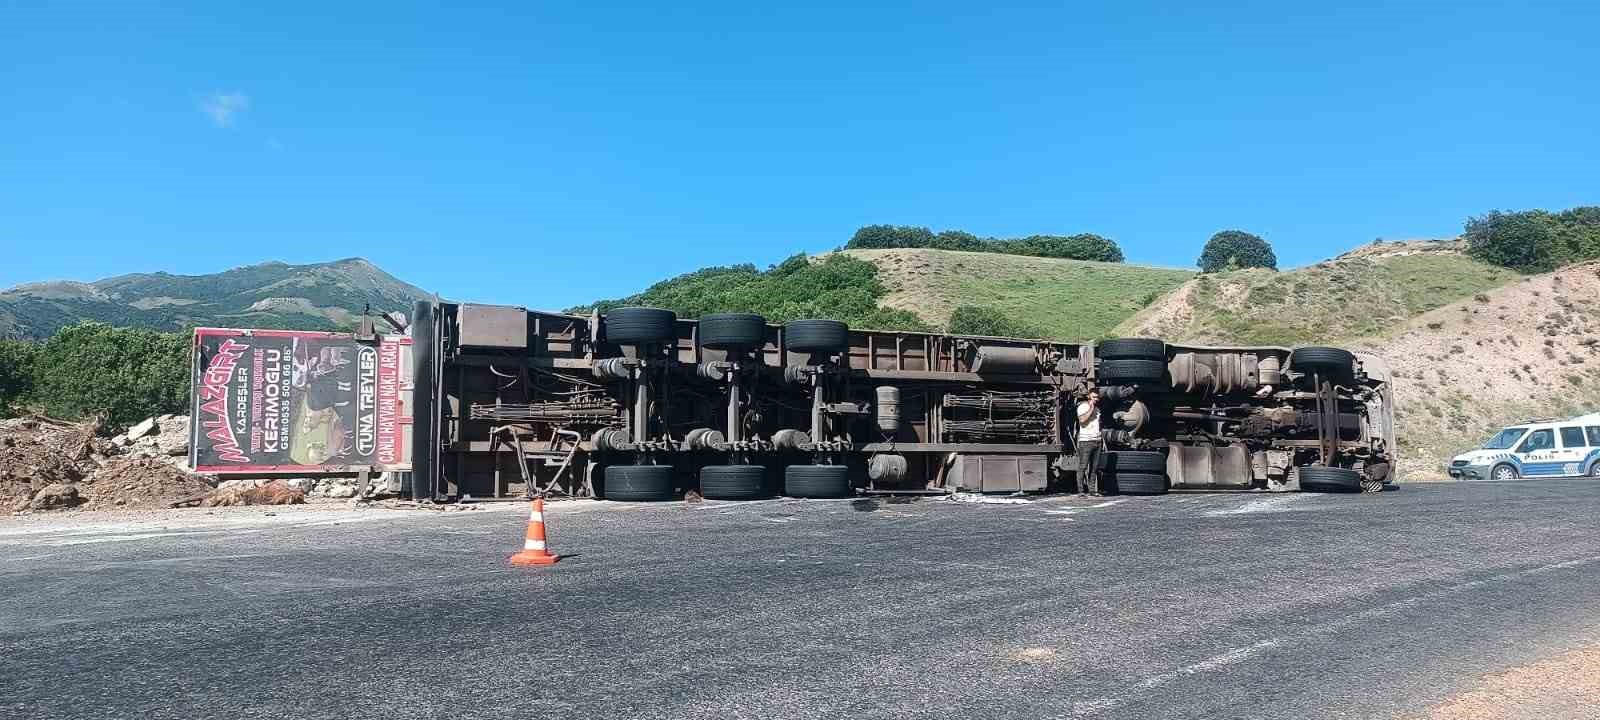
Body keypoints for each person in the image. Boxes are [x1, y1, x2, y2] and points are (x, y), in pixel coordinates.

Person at [1076, 390, 1102, 495]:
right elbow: (1082, 420)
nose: (1095, 399)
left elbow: (1098, 424)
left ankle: (1092, 490)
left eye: (1097, 398)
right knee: (1083, 466)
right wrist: (1091, 408)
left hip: (1097, 440)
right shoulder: (1083, 407)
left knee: (1094, 467)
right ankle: (1081, 490)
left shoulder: (1098, 409)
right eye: (1093, 397)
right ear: (1088, 397)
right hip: (1086, 441)